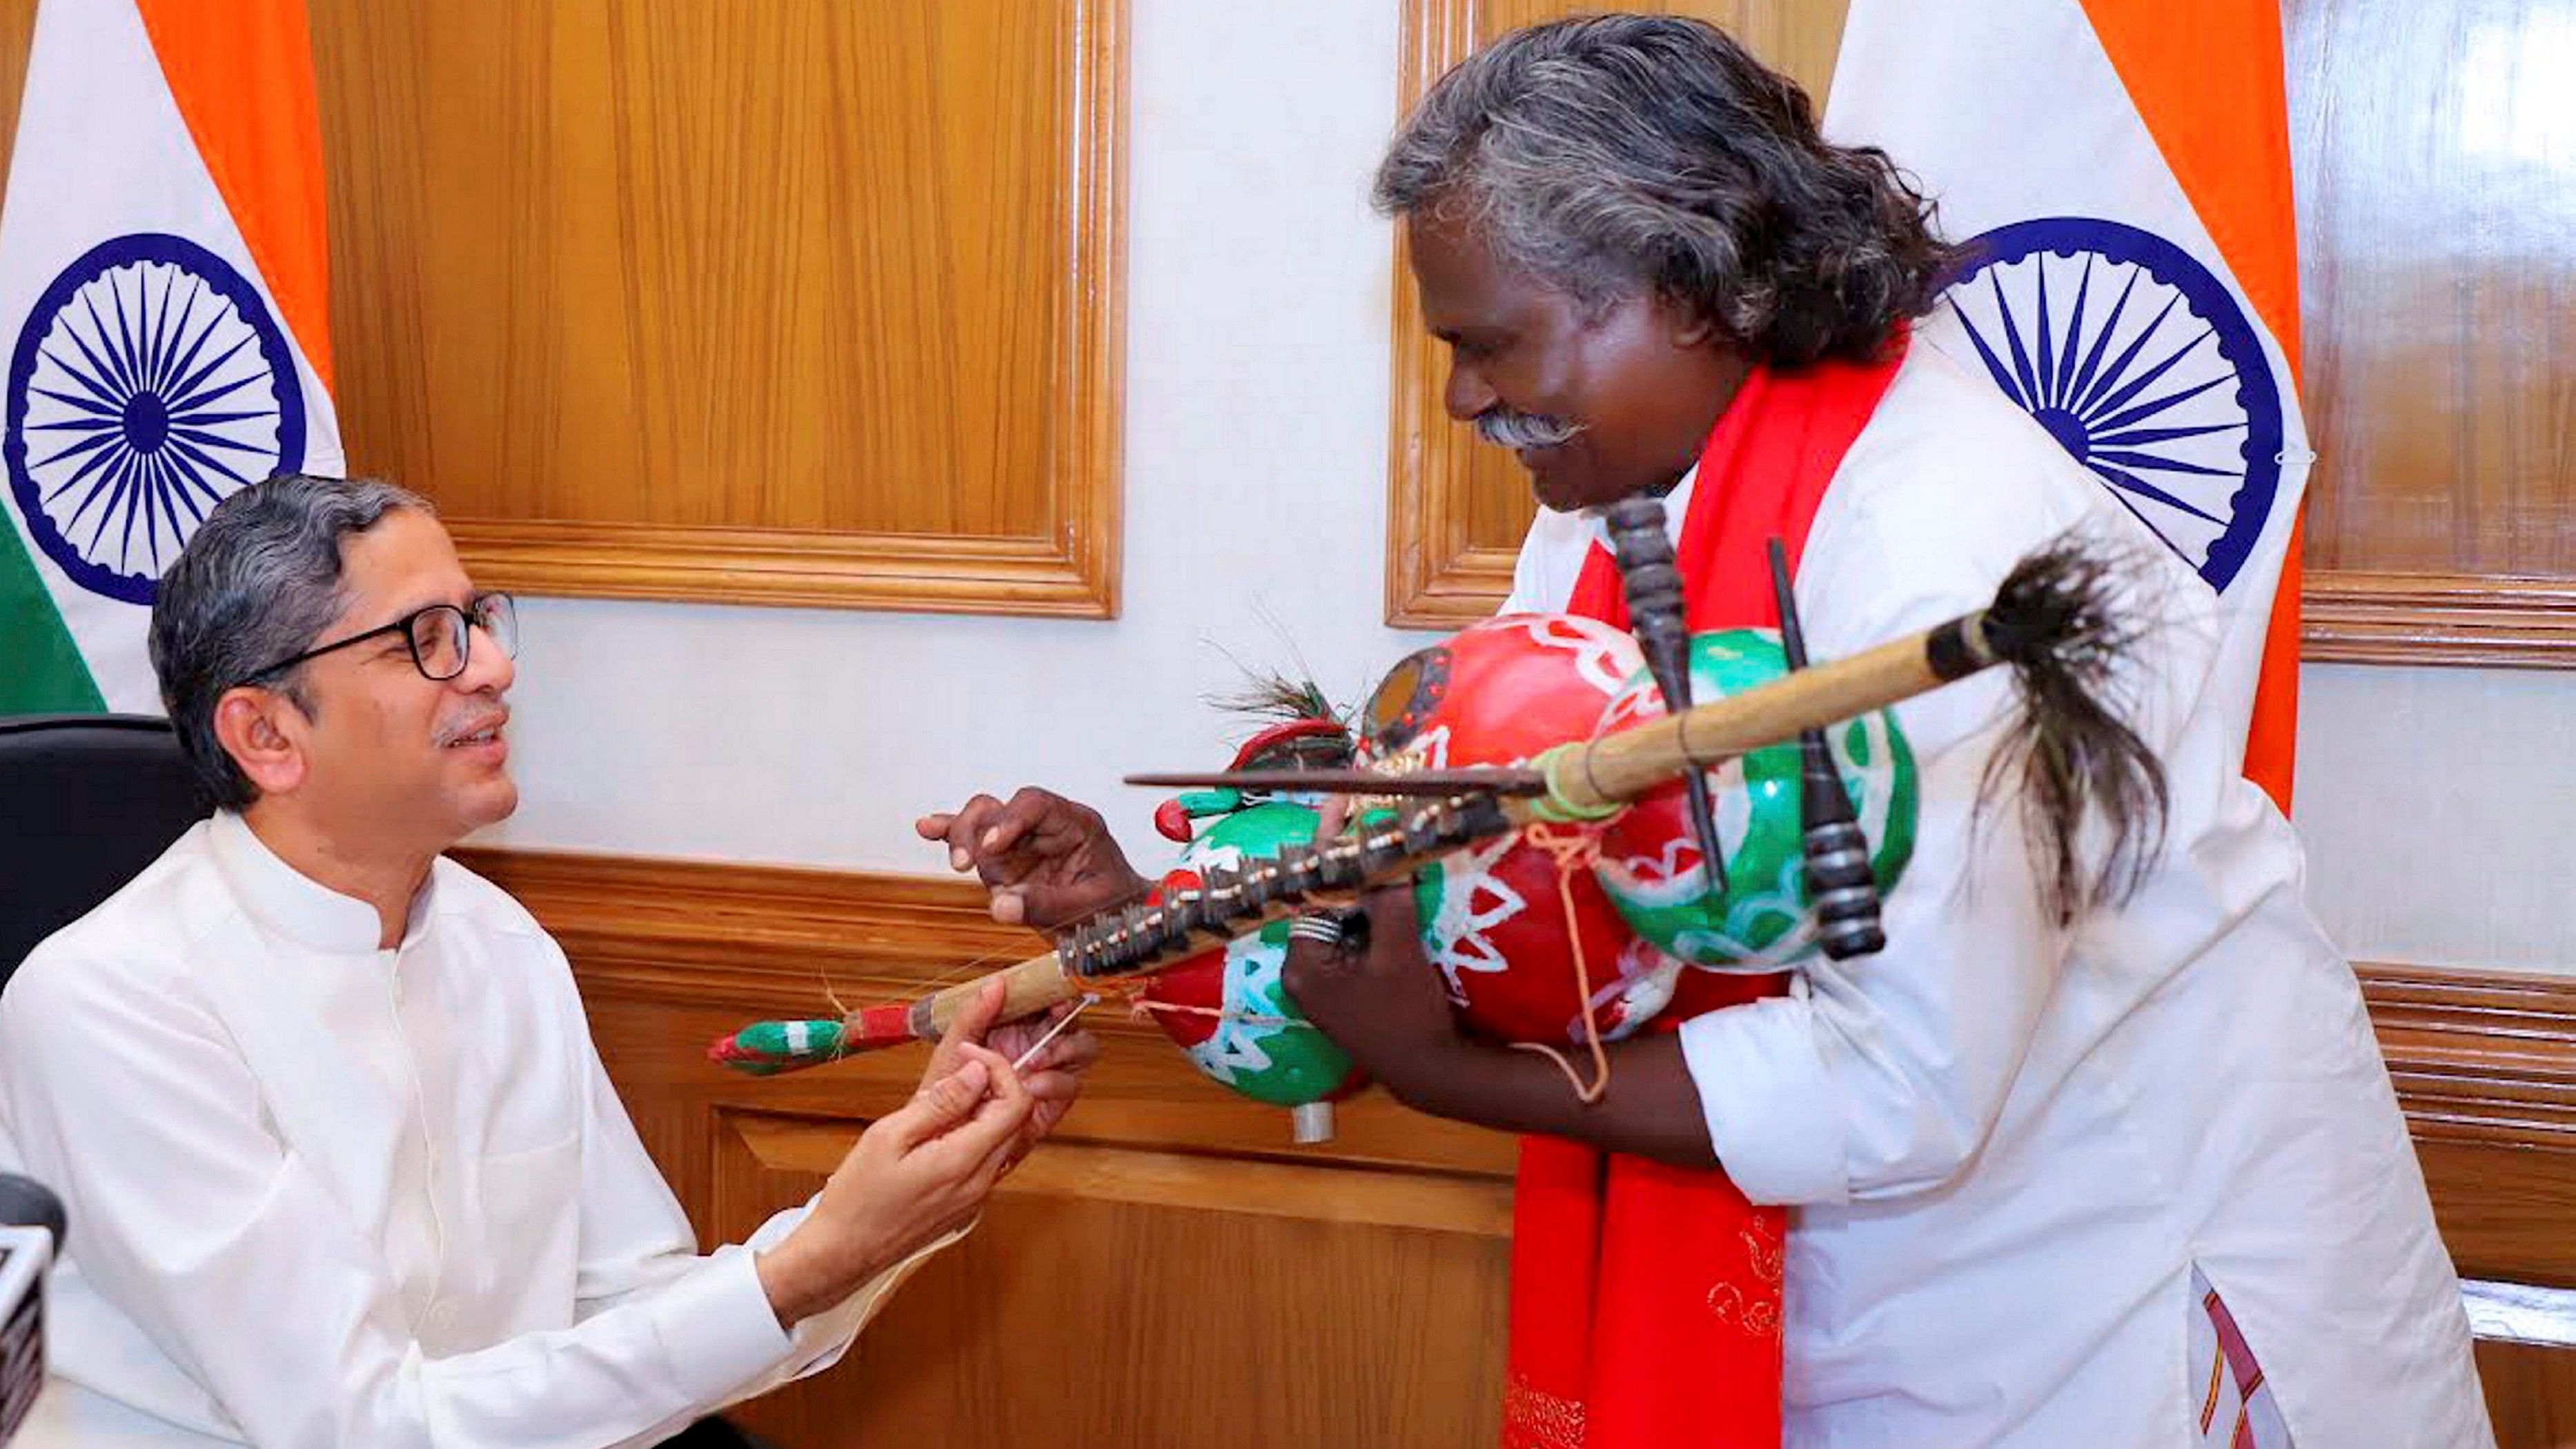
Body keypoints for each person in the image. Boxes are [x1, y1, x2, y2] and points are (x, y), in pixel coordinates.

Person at [917, 15, 2490, 1449]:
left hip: (2091, 1289)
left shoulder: (1948, 541)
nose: (1464, 401)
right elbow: (1487, 882)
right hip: (1843, 1296)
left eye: (1487, 342)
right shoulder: (1611, 511)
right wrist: (1143, 914)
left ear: (1688, 292)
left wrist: (1448, 1075)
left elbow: (1900, 1089)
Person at [0, 473, 1099, 1449]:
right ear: (268, 736)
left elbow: (635, 1315)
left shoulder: (497, 940)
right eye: (428, 636)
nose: (496, 664)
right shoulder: (110, 1003)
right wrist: (808, 1262)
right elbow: (360, 1430)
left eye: (476, 617)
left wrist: (884, 1218)